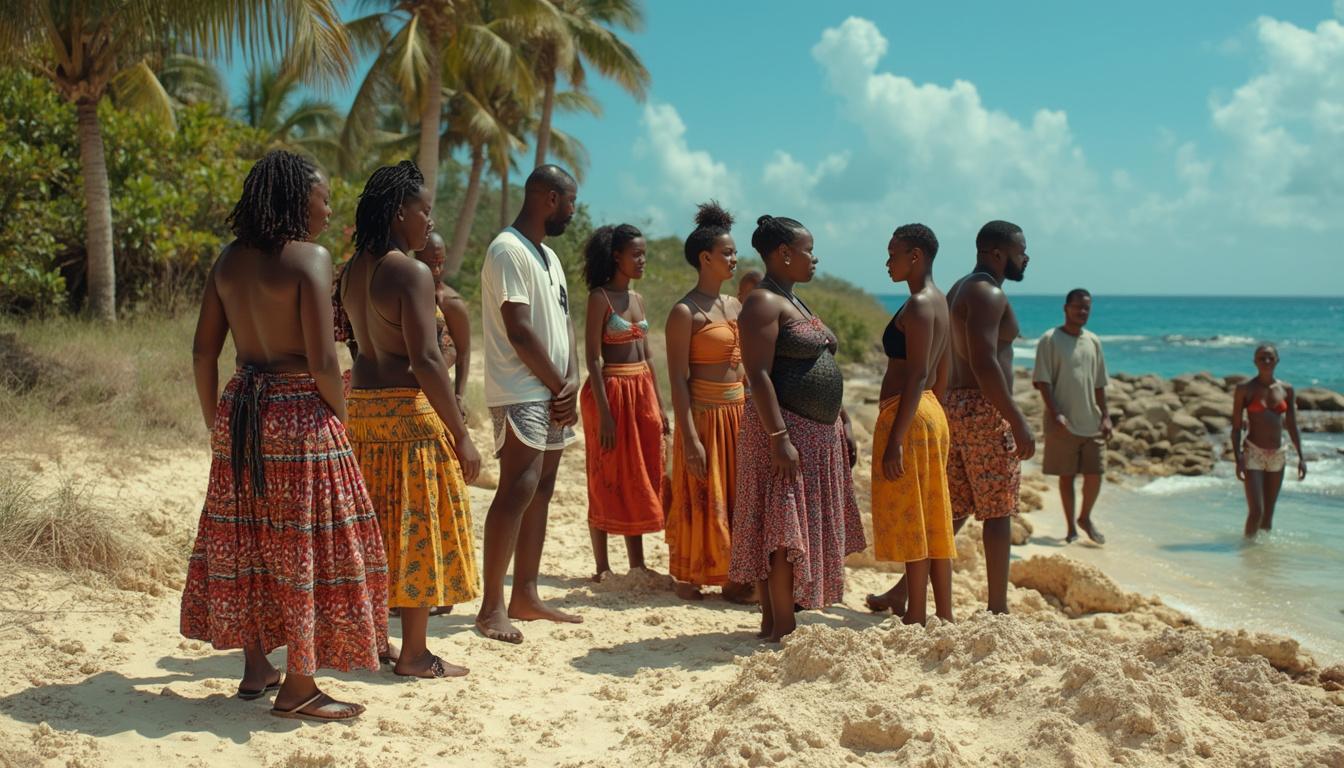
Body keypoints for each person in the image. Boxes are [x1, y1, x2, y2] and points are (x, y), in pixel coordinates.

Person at [181, 149, 389, 722]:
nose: (329, 207)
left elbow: (203, 351)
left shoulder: (227, 262)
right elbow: (323, 359)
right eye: (323, 197)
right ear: (300, 201)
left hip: (241, 408)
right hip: (299, 410)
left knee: (248, 535)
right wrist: (341, 418)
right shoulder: (310, 260)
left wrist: (213, 423)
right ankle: (300, 687)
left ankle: (256, 667)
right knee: (308, 543)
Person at [340, 160, 482, 679]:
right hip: (408, 415)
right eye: (424, 210)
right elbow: (424, 359)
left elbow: (355, 345)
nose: (429, 220)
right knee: (416, 529)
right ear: (400, 211)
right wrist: (461, 434)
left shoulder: (353, 269)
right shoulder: (411, 272)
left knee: (376, 529)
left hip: (365, 414)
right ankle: (415, 653)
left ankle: (376, 640)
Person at [729, 214, 865, 642]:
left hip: (816, 433)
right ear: (784, 254)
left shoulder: (792, 299)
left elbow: (817, 364)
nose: (814, 258)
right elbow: (758, 374)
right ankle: (782, 625)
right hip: (786, 431)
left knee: (787, 526)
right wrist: (779, 438)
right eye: (808, 250)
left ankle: (776, 624)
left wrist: (841, 418)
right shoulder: (762, 303)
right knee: (783, 530)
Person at [476, 165, 583, 644]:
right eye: (570, 201)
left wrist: (571, 381)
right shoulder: (507, 250)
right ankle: (490, 606)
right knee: (516, 488)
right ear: (548, 198)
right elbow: (518, 329)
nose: (573, 211)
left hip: (553, 388)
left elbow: (565, 323)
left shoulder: (550, 257)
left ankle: (526, 593)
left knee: (542, 487)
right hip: (521, 388)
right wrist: (557, 383)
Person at [942, 220, 1035, 615]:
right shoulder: (988, 293)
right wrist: (1015, 418)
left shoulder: (960, 287)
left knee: (958, 504)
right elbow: (985, 362)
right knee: (998, 512)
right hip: (984, 408)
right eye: (1020, 250)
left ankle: (900, 591)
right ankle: (998, 609)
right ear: (997, 253)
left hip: (956, 405)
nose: (1025, 257)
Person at [866, 224, 956, 626]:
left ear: (915, 256)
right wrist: (934, 416)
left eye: (893, 254)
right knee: (934, 516)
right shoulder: (940, 302)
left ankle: (917, 615)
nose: (887, 262)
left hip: (911, 413)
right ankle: (944, 613)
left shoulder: (919, 304)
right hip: (930, 410)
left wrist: (897, 438)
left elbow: (918, 373)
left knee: (914, 519)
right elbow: (943, 372)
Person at [665, 203, 753, 603]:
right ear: (706, 258)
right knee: (703, 496)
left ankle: (735, 575)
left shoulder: (736, 306)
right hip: (703, 415)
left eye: (735, 252)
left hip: (737, 414)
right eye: (727, 253)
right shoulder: (685, 312)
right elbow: (678, 382)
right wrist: (689, 438)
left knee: (737, 497)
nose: (734, 259)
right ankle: (693, 573)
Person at [579, 223, 669, 581]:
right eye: (636, 254)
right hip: (610, 391)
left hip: (641, 391)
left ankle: (637, 564)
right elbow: (591, 357)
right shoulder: (599, 298)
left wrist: (660, 407)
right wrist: (605, 413)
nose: (642, 260)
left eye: (644, 253)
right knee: (604, 474)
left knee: (640, 474)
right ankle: (602, 567)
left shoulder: (638, 300)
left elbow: (648, 356)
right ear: (617, 257)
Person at [1033, 288, 1111, 544]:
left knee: (1095, 473)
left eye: (1087, 307)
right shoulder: (1050, 339)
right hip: (1063, 422)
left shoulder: (1093, 341)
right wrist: (1055, 413)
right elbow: (1043, 381)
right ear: (1066, 308)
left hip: (1092, 421)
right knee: (1067, 477)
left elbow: (1099, 383)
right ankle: (1071, 529)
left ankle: (1085, 517)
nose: (1082, 312)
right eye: (1078, 307)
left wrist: (1106, 416)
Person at [1232, 343, 1307, 539]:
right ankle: (1247, 550)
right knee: (1256, 510)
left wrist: (1301, 457)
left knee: (1268, 514)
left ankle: (1263, 560)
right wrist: (1238, 457)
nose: (1266, 361)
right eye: (1261, 358)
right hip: (1253, 452)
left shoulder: (1286, 390)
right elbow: (1237, 427)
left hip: (1278, 454)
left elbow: (1291, 425)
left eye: (1270, 358)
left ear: (1277, 361)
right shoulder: (1245, 389)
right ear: (1254, 362)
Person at [415, 232, 472, 423]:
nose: (437, 270)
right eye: (431, 264)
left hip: (439, 393)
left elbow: (463, 352)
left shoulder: (451, 303)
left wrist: (458, 397)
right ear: (416, 260)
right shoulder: (405, 295)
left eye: (441, 263)